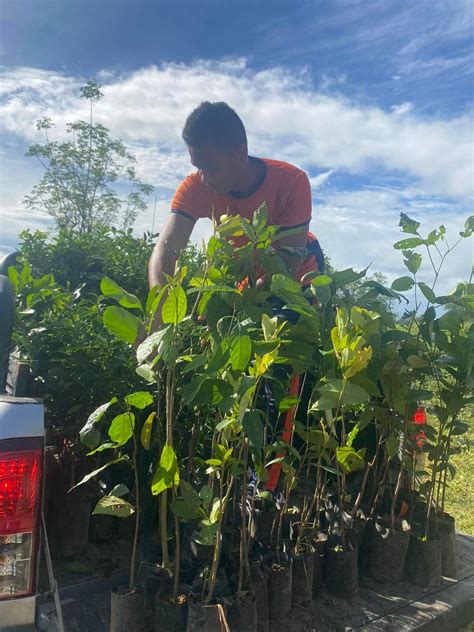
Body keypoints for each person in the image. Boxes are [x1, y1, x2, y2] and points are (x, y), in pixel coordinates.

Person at [148, 101, 324, 292]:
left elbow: (290, 260)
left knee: (284, 318)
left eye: (213, 168)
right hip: (249, 274)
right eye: (198, 167)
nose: (205, 177)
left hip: (299, 271)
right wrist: (159, 308)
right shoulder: (195, 187)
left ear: (241, 153)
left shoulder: (291, 181)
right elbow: (165, 250)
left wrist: (242, 301)